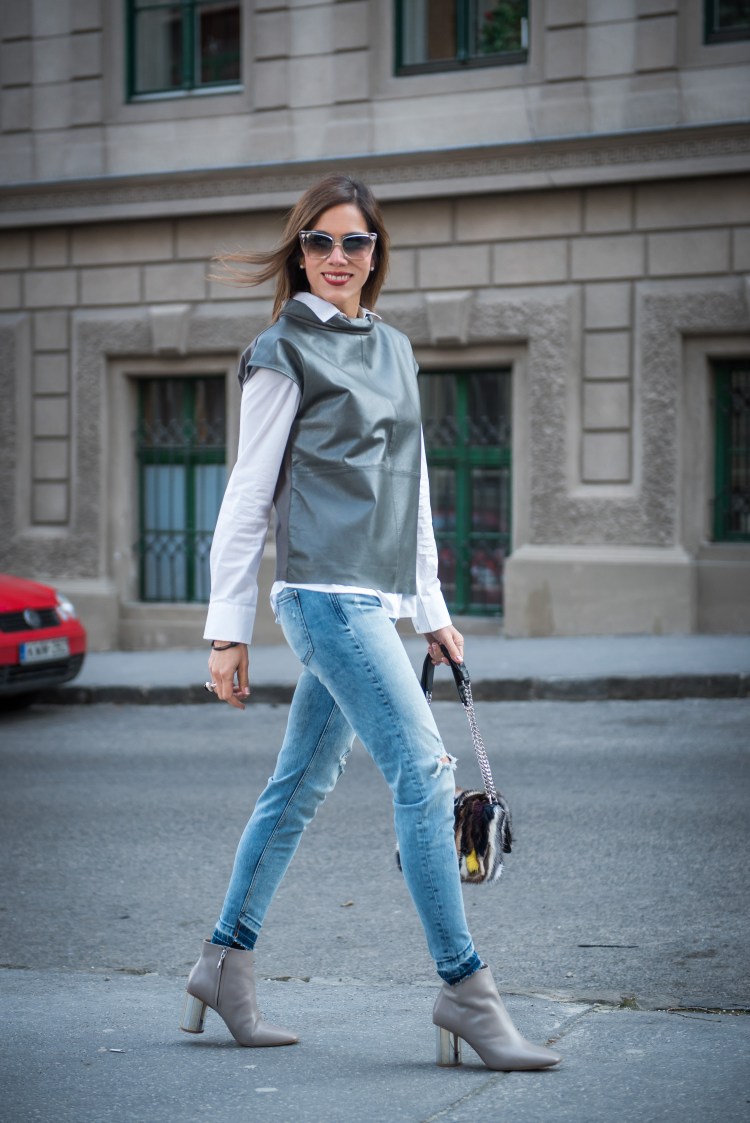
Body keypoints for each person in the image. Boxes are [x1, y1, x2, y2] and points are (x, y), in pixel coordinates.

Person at [179, 173, 560, 1072]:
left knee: (299, 786)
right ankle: (465, 987)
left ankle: (222, 965)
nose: (338, 257)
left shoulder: (393, 347)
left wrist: (431, 610)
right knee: (424, 769)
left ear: (375, 252)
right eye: (320, 241)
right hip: (320, 595)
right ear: (299, 251)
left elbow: (411, 485)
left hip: (375, 599)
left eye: (355, 241)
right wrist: (226, 629)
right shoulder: (281, 352)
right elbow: (247, 496)